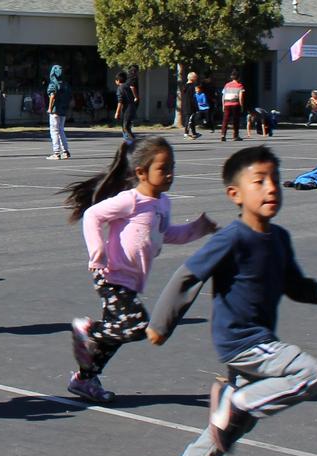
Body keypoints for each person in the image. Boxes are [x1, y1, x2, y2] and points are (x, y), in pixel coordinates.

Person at [147, 145, 317, 456]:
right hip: (241, 340)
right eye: (259, 181)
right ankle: (237, 402)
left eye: (276, 180)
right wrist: (161, 324)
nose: (271, 189)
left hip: (260, 340)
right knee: (310, 374)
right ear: (235, 194)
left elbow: (297, 287)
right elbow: (187, 276)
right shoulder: (231, 239)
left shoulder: (279, 239)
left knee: (236, 423)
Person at [63, 137, 218, 402]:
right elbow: (92, 215)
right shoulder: (131, 200)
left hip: (132, 280)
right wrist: (97, 249)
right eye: (163, 168)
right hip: (110, 274)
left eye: (172, 167)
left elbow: (166, 233)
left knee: (114, 338)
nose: (170, 174)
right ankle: (86, 331)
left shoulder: (163, 203)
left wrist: (196, 229)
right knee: (135, 326)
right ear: (141, 172)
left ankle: (84, 380)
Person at [47, 65, 73, 158]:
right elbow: (70, 97)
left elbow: (52, 96)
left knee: (54, 131)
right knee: (61, 130)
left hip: (55, 110)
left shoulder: (53, 83)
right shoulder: (66, 84)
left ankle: (56, 152)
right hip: (63, 110)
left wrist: (50, 108)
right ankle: (65, 151)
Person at [219, 72, 246, 141]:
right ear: (239, 78)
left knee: (225, 120)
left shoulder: (226, 85)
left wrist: (223, 105)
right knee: (235, 120)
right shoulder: (240, 86)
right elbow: (241, 97)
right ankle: (235, 136)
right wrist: (242, 106)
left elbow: (223, 96)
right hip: (235, 104)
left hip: (227, 104)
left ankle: (223, 135)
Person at [113, 71, 138, 141]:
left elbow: (120, 101)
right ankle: (128, 142)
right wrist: (136, 97)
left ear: (118, 81)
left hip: (127, 110)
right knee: (126, 127)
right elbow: (133, 87)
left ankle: (134, 142)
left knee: (125, 127)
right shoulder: (127, 86)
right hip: (132, 108)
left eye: (115, 80)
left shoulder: (120, 88)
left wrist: (117, 112)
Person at [180, 72, 205, 140]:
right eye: (196, 77)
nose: (196, 78)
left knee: (192, 120)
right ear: (193, 78)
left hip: (185, 105)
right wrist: (196, 107)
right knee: (189, 120)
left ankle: (194, 133)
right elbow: (193, 98)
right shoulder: (192, 86)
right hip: (190, 106)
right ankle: (186, 134)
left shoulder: (185, 86)